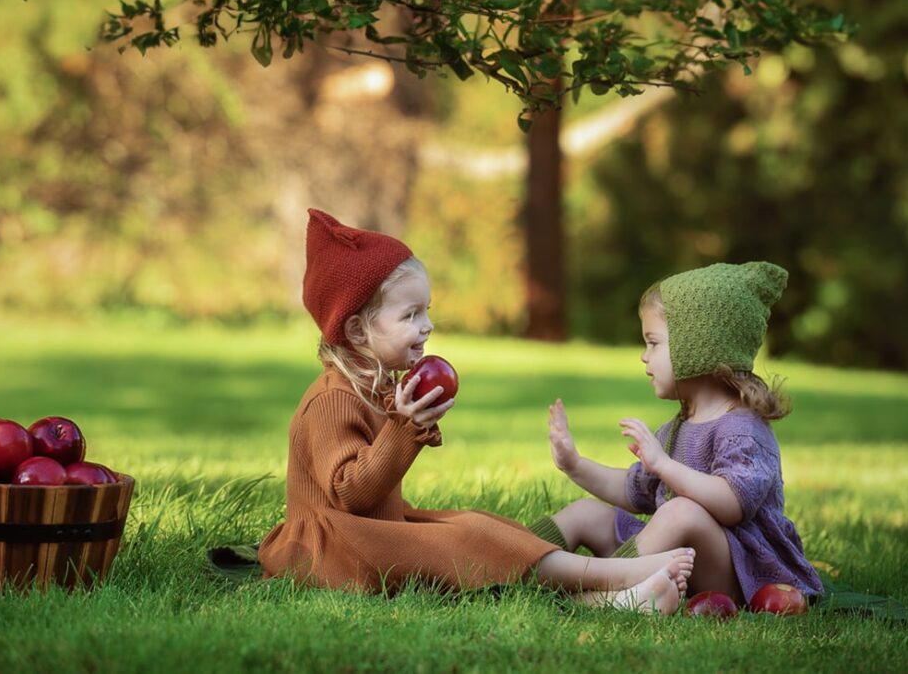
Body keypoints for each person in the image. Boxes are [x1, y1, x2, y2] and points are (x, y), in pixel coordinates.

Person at [258, 209, 694, 614]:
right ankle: (615, 576)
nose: (426, 325)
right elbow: (350, 493)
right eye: (410, 314)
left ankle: (602, 601)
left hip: (371, 536)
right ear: (356, 329)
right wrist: (404, 428)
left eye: (426, 311)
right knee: (465, 542)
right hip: (330, 553)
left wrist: (410, 422)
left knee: (476, 526)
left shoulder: (378, 386)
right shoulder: (332, 400)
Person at [533, 262, 823, 605]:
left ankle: (605, 595)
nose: (644, 357)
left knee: (681, 511)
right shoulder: (679, 427)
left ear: (699, 349)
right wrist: (575, 465)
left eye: (653, 343)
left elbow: (732, 504)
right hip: (678, 559)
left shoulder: (743, 429)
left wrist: (663, 465)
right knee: (587, 512)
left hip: (738, 571)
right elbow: (633, 491)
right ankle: (510, 560)